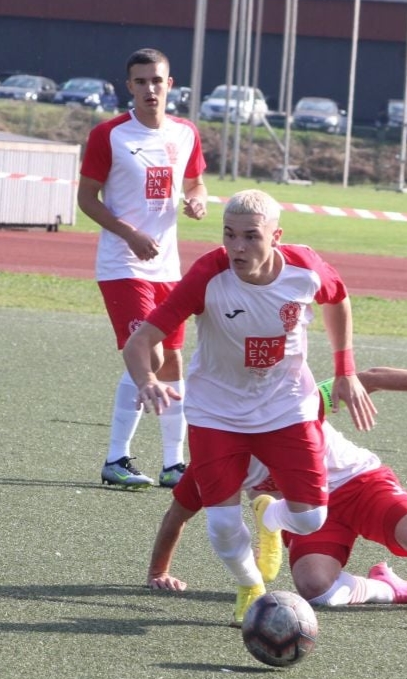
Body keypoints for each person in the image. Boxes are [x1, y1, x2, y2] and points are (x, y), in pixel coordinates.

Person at [123, 187, 376, 622]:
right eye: (229, 234)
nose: (237, 247)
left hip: (286, 407)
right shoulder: (208, 274)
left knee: (312, 518)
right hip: (216, 411)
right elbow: (140, 340)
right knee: (222, 525)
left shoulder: (305, 268)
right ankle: (250, 584)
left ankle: (269, 518)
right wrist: (147, 380)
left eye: (251, 236)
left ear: (276, 236)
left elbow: (338, 298)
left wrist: (345, 369)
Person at [146, 367, 407, 619]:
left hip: (359, 483)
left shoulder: (293, 406)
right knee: (315, 590)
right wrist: (159, 572)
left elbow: (368, 379)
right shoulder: (212, 460)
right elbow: (177, 515)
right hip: (307, 513)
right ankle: (390, 589)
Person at [78, 47, 207, 490]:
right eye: (141, 81)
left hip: (169, 267)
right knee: (147, 354)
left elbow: (195, 182)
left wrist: (198, 201)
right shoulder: (109, 135)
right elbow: (86, 199)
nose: (150, 88)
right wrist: (129, 233)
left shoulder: (186, 132)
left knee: (171, 358)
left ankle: (175, 465)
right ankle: (116, 458)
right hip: (123, 265)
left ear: (170, 85)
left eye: (157, 80)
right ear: (129, 86)